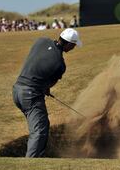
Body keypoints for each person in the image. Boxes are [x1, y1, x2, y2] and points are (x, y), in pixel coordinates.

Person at [12, 28, 82, 157]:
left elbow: (36, 59)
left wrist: (42, 86)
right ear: (69, 44)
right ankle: (31, 164)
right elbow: (50, 83)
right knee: (39, 130)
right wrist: (45, 88)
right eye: (73, 45)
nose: (73, 48)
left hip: (17, 90)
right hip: (30, 95)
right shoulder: (60, 64)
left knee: (42, 124)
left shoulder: (42, 40)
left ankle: (38, 157)